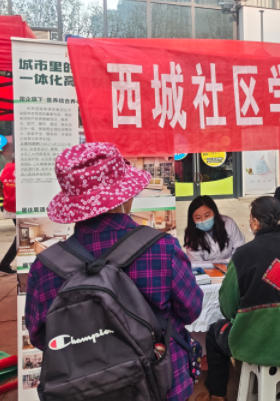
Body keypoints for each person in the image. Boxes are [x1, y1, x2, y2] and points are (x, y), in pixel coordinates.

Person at [25, 143, 203, 401]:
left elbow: (42, 337)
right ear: (125, 196)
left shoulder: (45, 267)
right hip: (159, 383)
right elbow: (191, 309)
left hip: (82, 392)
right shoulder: (162, 248)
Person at [205, 196, 280, 401]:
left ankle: (217, 395)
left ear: (255, 222)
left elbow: (228, 307)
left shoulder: (242, 256)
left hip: (254, 344)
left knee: (214, 333)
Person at [184, 195, 244, 264]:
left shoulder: (228, 223)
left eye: (207, 215)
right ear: (192, 219)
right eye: (198, 218)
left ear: (214, 212)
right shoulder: (191, 234)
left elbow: (239, 247)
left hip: (231, 265)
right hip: (206, 269)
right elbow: (196, 262)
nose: (203, 220)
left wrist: (231, 264)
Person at [0, 160, 16, 274]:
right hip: (21, 207)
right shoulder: (24, 170)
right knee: (21, 236)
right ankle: (4, 264)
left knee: (22, 235)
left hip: (9, 206)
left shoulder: (4, 170)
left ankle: (4, 264)